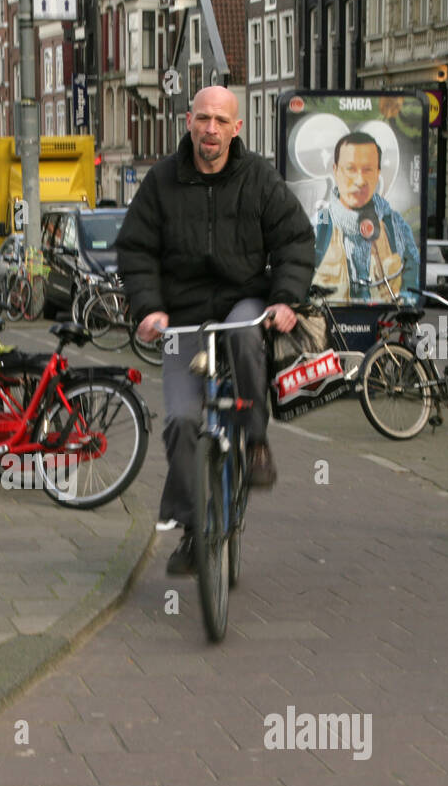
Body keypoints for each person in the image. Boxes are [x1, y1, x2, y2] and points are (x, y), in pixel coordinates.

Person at [116, 86, 314, 575]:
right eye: (203, 118)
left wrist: (285, 300)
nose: (211, 129)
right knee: (181, 421)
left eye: (221, 121)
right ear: (188, 121)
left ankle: (255, 439)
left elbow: (293, 238)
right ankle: (192, 530)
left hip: (240, 300)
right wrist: (148, 309)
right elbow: (136, 250)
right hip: (182, 315)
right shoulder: (161, 182)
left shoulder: (259, 178)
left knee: (247, 336)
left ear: (236, 128)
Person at [311, 131, 421, 305]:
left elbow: (413, 273)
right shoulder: (319, 225)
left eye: (367, 170)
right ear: (336, 171)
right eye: (351, 169)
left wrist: (406, 301)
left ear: (378, 173)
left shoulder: (395, 224)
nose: (360, 180)